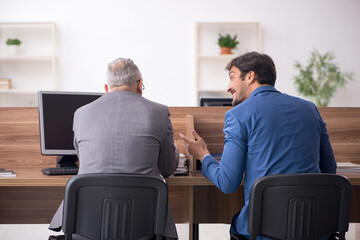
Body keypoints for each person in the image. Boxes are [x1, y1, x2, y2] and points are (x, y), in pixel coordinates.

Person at [180, 52, 337, 239]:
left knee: (239, 221)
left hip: (264, 229)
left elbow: (228, 182)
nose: (229, 87)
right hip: (313, 226)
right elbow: (330, 171)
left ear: (250, 76)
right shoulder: (310, 109)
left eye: (232, 78)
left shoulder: (238, 115)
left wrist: (203, 156)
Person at [49, 58, 179, 239]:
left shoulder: (81, 113)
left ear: (106, 88)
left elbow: (82, 159)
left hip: (87, 226)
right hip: (142, 227)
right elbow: (167, 168)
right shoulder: (159, 112)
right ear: (140, 84)